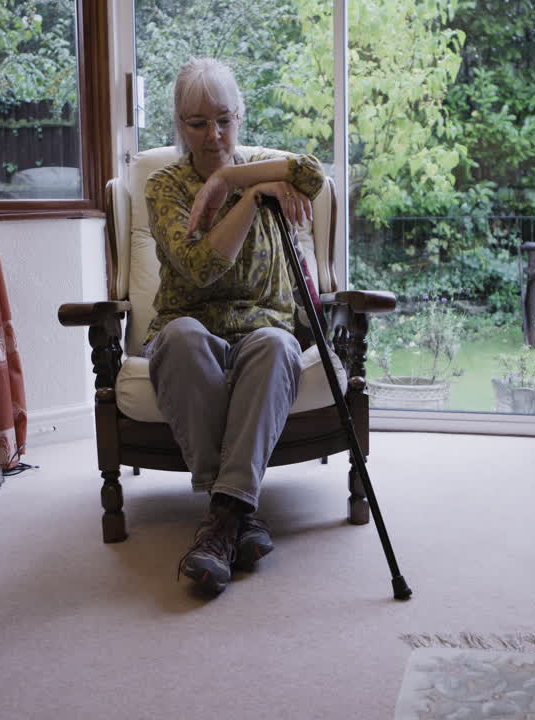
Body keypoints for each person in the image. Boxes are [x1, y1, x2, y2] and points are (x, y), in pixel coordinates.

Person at [142, 58, 325, 595]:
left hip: (260, 329)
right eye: (197, 123)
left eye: (224, 119)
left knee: (275, 342)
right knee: (179, 339)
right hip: (191, 327)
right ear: (180, 125)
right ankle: (239, 514)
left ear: (239, 117)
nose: (213, 134)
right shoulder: (165, 187)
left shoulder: (263, 167)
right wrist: (249, 198)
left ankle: (222, 519)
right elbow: (199, 267)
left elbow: (312, 174)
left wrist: (230, 176)